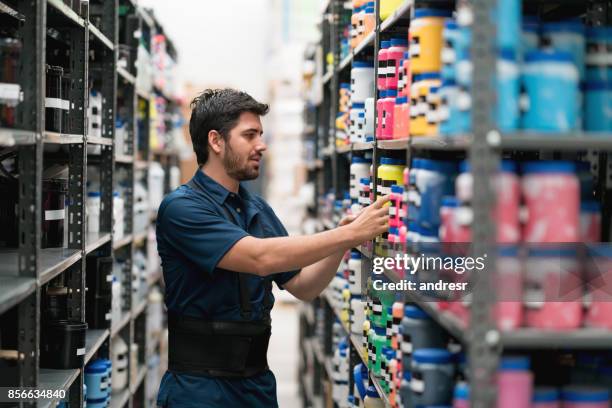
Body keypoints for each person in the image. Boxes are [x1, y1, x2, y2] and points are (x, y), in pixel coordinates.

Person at [155, 88, 388, 407]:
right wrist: (345, 236)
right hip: (199, 389)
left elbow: (304, 286)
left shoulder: (256, 209)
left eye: (260, 135)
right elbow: (259, 258)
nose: (261, 146)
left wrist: (343, 240)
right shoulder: (182, 208)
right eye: (250, 135)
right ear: (216, 141)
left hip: (257, 386)